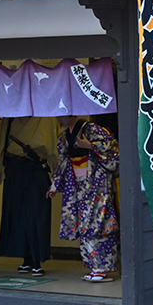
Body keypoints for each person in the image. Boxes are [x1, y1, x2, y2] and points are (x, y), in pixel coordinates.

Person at [47, 115, 119, 282]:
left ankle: (102, 267)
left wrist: (89, 145)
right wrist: (55, 185)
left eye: (61, 114)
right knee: (83, 224)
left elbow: (112, 151)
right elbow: (63, 161)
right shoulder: (64, 136)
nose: (58, 118)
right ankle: (94, 265)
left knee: (97, 223)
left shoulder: (92, 129)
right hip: (78, 185)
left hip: (95, 184)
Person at [0, 117, 59, 277]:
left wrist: (57, 176)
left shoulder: (46, 117)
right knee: (18, 214)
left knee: (37, 215)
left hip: (37, 169)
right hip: (15, 167)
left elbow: (54, 147)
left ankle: (37, 260)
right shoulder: (11, 116)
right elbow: (2, 140)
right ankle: (25, 258)